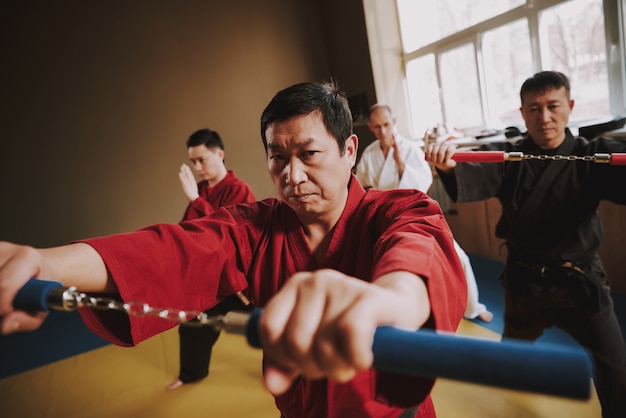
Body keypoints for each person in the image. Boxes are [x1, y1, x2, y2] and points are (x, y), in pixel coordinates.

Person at [0, 81, 466, 418]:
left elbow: (417, 251)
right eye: (277, 158)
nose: (292, 175)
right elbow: (172, 250)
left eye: (309, 154)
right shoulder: (255, 225)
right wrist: (44, 262)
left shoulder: (398, 209)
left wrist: (391, 300)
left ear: (348, 149)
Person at [425, 70, 626, 418]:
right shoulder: (509, 158)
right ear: (522, 113)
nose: (544, 117)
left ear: (570, 106)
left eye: (553, 106)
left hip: (580, 282)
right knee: (511, 360)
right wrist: (445, 166)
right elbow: (470, 171)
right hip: (526, 283)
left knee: (618, 370)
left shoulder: (593, 156)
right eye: (533, 108)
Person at [357, 104, 493, 322]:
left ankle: (473, 307)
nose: (382, 131)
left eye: (386, 125)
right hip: (381, 216)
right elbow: (363, 187)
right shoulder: (370, 153)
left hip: (412, 213)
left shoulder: (410, 149)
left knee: (459, 257)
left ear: (393, 123)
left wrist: (402, 167)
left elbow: (421, 185)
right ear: (371, 127)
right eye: (377, 127)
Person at [168, 128, 257, 390]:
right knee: (192, 325)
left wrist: (195, 199)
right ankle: (191, 374)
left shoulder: (239, 189)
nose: (197, 167)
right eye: (193, 161)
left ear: (220, 154)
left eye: (202, 160)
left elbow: (230, 234)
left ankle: (295, 374)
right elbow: (189, 230)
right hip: (213, 280)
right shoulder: (201, 190)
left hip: (241, 281)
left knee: (270, 325)